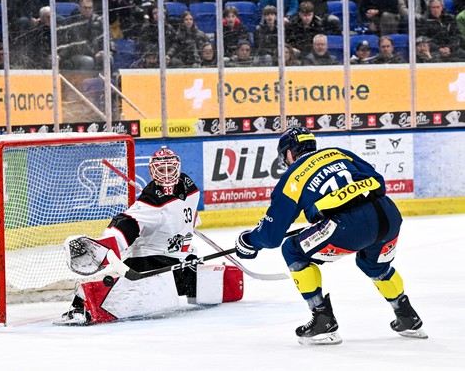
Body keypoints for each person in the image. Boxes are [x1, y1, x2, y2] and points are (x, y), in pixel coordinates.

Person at [234, 127, 427, 345]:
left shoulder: (291, 178)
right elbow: (377, 180)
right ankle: (408, 317)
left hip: (348, 225)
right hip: (388, 214)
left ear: (289, 153)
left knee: (292, 250)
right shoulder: (338, 152)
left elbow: (271, 236)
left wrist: (248, 241)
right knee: (375, 266)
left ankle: (322, 321)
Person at [60, 146, 243, 324]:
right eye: (160, 169)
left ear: (178, 169)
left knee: (218, 286)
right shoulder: (150, 203)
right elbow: (127, 222)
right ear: (152, 171)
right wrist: (104, 247)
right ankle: (85, 298)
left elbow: (190, 217)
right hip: (148, 261)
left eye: (170, 169)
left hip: (181, 260)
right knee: (154, 298)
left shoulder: (190, 191)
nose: (165, 174)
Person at [59, 0, 113, 71]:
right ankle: (85, 82)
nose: (87, 10)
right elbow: (72, 44)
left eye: (90, 8)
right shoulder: (72, 22)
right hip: (77, 54)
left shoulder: (100, 20)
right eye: (85, 8)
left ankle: (104, 82)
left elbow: (108, 37)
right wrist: (61, 55)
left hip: (96, 52)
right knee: (88, 61)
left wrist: (108, 50)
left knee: (107, 58)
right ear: (79, 8)